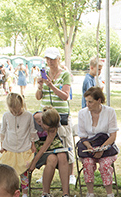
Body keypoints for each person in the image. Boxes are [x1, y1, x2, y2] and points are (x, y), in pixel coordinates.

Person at [35, 47, 76, 187]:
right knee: (47, 144)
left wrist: (51, 85)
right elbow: (38, 97)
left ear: (59, 59)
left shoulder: (65, 74)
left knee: (66, 143)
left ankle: (71, 174)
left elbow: (65, 96)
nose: (50, 62)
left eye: (53, 59)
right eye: (48, 59)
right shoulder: (44, 74)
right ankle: (46, 173)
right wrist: (40, 86)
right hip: (45, 115)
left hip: (61, 115)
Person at [77, 86, 118, 197]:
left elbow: (113, 136)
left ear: (99, 100)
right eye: (86, 101)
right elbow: (82, 136)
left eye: (90, 101)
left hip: (106, 146)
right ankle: (90, 193)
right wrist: (90, 148)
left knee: (105, 164)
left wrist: (101, 149)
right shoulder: (82, 113)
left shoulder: (110, 112)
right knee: (88, 163)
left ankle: (110, 194)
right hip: (88, 147)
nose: (87, 104)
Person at [27, 107, 71, 197]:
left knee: (62, 156)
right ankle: (45, 194)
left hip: (50, 144)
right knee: (52, 159)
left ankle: (66, 194)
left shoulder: (54, 120)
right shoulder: (32, 120)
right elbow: (41, 149)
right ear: (41, 121)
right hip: (37, 146)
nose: (49, 131)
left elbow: (48, 142)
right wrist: (34, 162)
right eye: (48, 129)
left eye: (52, 129)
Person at [0, 93, 35, 197]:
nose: (15, 113)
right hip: (9, 148)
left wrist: (33, 144)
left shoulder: (28, 116)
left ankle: (24, 194)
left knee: (24, 172)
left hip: (24, 148)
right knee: (8, 173)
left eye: (18, 111)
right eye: (13, 111)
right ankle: (8, 194)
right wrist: (2, 145)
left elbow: (32, 131)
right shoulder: (6, 116)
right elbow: (2, 131)